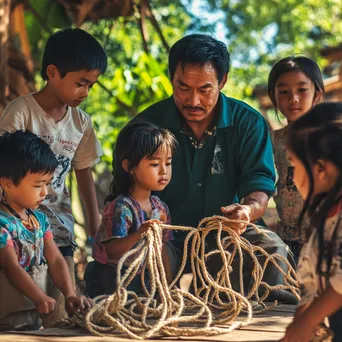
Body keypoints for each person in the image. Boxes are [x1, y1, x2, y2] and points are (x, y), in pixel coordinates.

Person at [134, 33, 296, 303]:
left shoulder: (248, 123)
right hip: (163, 238)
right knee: (124, 265)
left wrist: (246, 211)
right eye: (183, 87)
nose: (193, 101)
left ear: (223, 81)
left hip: (227, 237)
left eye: (205, 89)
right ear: (171, 78)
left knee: (271, 248)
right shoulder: (145, 126)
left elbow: (259, 185)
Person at [0, 28, 107, 324]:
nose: (85, 92)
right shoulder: (21, 111)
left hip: (57, 223)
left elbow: (83, 172)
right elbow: (4, 160)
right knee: (18, 303)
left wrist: (95, 222)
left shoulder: (81, 122)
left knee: (61, 309)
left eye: (91, 86)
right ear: (53, 72)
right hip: (14, 222)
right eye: (80, 83)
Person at [0, 130, 92, 331]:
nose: (45, 192)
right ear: (7, 183)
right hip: (5, 320)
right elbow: (10, 266)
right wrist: (39, 297)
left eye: (48, 184)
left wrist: (70, 293)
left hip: (32, 317)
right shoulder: (2, 224)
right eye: (38, 185)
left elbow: (56, 259)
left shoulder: (39, 220)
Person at [84, 121, 177, 298]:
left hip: (144, 277)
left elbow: (163, 249)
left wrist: (168, 288)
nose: (164, 171)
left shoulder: (160, 207)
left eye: (168, 163)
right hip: (113, 279)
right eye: (155, 164)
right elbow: (112, 251)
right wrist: (139, 234)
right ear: (129, 167)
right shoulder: (121, 208)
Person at [282, 102, 342, 342]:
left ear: (319, 169)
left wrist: (305, 323)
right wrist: (299, 324)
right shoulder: (324, 218)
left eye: (294, 165)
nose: (293, 176)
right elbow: (311, 280)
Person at [268, 56, 325, 262]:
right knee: (291, 290)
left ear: (317, 94)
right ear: (274, 98)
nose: (293, 98)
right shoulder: (273, 140)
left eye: (302, 90)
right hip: (288, 237)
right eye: (284, 92)